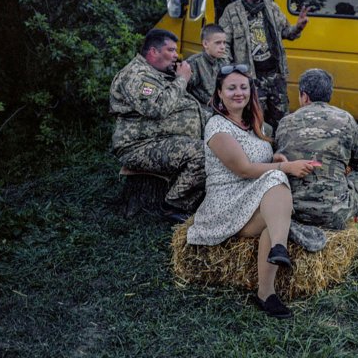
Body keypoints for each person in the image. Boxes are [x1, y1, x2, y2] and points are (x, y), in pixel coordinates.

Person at [186, 64, 316, 319]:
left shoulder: (255, 124)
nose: (239, 93)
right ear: (219, 94)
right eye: (231, 88)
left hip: (255, 199)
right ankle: (280, 247)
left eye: (243, 87)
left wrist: (275, 156)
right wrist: (284, 165)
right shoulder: (217, 126)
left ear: (250, 92)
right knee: (279, 176)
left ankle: (266, 293)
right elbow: (244, 170)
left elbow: (261, 161)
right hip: (227, 206)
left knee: (274, 218)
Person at [275, 69, 358, 256]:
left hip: (292, 212)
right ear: (329, 94)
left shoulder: (284, 122)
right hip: (334, 213)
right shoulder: (345, 120)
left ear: (304, 96)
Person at [109, 29, 205, 216]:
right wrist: (182, 80)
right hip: (139, 146)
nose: (176, 56)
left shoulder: (155, 72)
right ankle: (174, 204)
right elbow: (157, 108)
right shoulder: (136, 75)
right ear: (153, 52)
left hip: (161, 139)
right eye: (171, 50)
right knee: (204, 154)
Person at [218, 0, 309, 132]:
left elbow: (287, 33)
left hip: (275, 76)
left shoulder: (271, 7)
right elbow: (223, 45)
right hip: (251, 78)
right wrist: (231, 73)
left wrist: (299, 27)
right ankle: (260, 154)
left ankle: (281, 154)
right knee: (255, 122)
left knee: (282, 122)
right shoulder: (231, 12)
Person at [186, 24, 230, 117]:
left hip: (222, 109)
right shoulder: (194, 64)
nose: (223, 47)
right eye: (218, 43)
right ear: (205, 44)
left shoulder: (223, 61)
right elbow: (183, 94)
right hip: (203, 113)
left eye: (224, 42)